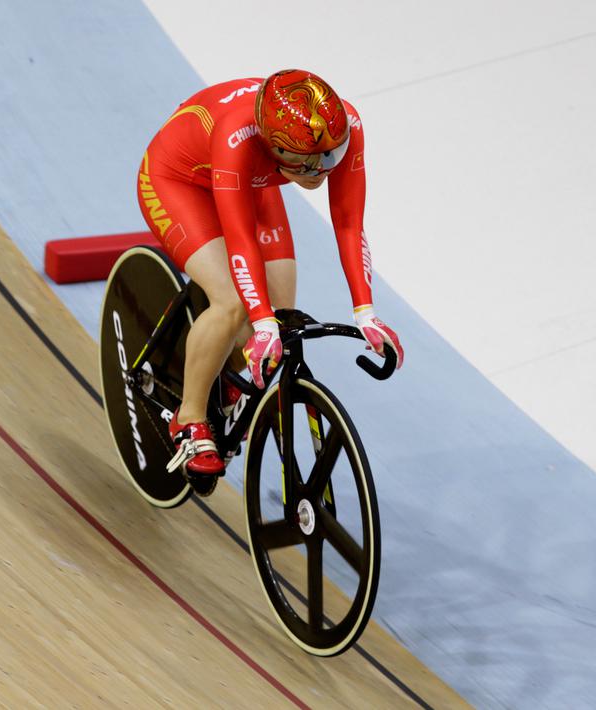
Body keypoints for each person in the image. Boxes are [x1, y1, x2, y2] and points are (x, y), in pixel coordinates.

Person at [136, 69, 404, 477]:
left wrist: (366, 313)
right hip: (179, 178)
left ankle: (222, 380)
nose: (323, 169)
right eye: (309, 163)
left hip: (251, 181)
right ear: (277, 149)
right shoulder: (236, 137)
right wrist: (258, 321)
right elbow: (241, 241)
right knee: (231, 302)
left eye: (332, 155)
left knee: (281, 310)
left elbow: (349, 223)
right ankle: (188, 418)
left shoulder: (342, 126)